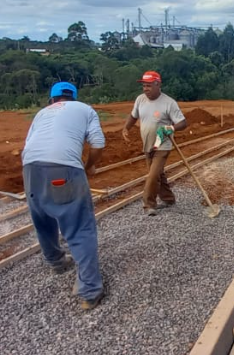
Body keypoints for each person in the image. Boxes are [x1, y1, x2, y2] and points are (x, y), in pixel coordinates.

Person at [22, 82, 106, 310]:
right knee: (80, 226)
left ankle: (56, 262)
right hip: (64, 168)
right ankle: (89, 290)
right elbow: (98, 144)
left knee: (42, 217)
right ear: (74, 98)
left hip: (30, 168)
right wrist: (89, 166)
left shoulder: (41, 114)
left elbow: (28, 145)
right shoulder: (85, 109)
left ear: (52, 100)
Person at [122, 70, 187, 216]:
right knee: (158, 174)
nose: (145, 89)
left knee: (152, 175)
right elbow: (133, 116)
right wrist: (126, 128)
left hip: (162, 143)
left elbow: (183, 123)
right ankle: (169, 199)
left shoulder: (168, 103)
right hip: (148, 144)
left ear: (158, 85)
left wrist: (170, 128)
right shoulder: (140, 100)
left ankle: (149, 204)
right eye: (144, 86)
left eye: (149, 86)